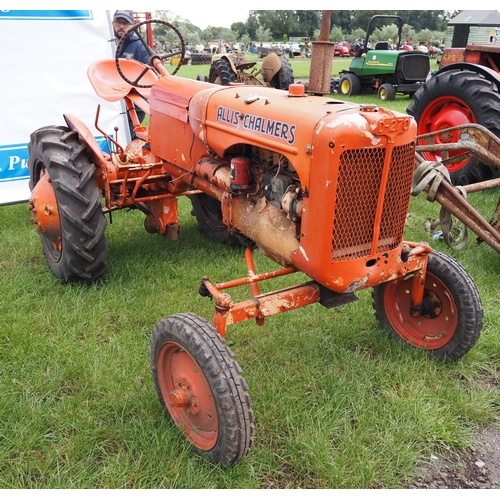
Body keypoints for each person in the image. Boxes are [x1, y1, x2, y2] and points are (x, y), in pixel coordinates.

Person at [112, 10, 150, 139]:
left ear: (132, 25)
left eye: (125, 23)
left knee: (130, 138)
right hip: (112, 101)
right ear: (112, 23)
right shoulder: (106, 44)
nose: (121, 26)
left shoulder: (139, 46)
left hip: (134, 102)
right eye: (118, 22)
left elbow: (147, 73)